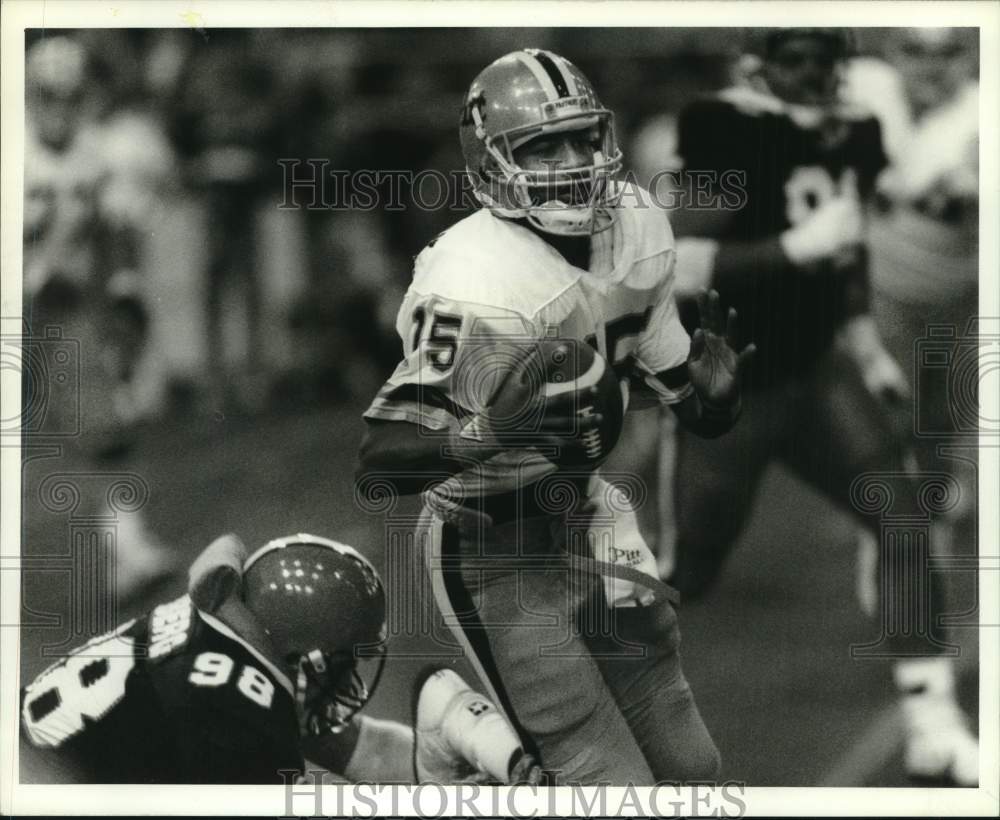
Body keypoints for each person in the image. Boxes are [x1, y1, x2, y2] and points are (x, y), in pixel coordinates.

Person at [357, 48, 753, 785]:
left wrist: (714, 402)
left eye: (582, 137)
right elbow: (380, 457)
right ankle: (463, 744)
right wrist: (487, 434)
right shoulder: (474, 281)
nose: (574, 161)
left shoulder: (636, 222)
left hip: (590, 518)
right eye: (544, 145)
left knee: (691, 768)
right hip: (491, 545)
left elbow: (681, 399)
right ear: (492, 161)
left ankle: (475, 748)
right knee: (605, 783)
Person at [642, 28, 977, 784]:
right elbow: (672, 263)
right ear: (759, 66)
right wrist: (791, 249)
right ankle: (578, 687)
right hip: (734, 384)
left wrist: (863, 344)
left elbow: (850, 248)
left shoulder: (853, 129)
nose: (816, 74)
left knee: (902, 515)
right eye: (797, 59)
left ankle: (932, 720)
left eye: (826, 59)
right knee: (689, 569)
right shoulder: (724, 128)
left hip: (819, 367)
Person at [21, 533, 531, 785]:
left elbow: (363, 750)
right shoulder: (242, 713)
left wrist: (432, 768)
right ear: (303, 657)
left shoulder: (226, 628)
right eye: (339, 666)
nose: (345, 686)